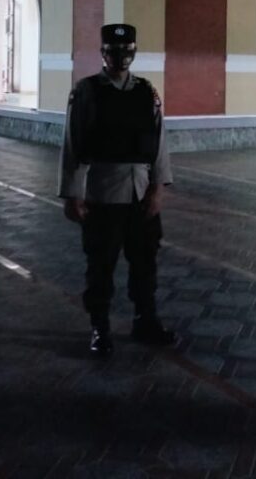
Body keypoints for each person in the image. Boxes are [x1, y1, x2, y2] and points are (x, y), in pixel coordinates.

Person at [58, 23, 175, 357]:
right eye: (113, 51)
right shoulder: (86, 92)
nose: (121, 57)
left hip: (140, 193)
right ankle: (100, 327)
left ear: (133, 52)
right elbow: (72, 144)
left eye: (127, 51)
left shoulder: (146, 92)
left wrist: (158, 189)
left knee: (145, 263)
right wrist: (72, 193)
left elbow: (159, 143)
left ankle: (146, 320)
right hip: (102, 193)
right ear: (103, 54)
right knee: (101, 266)